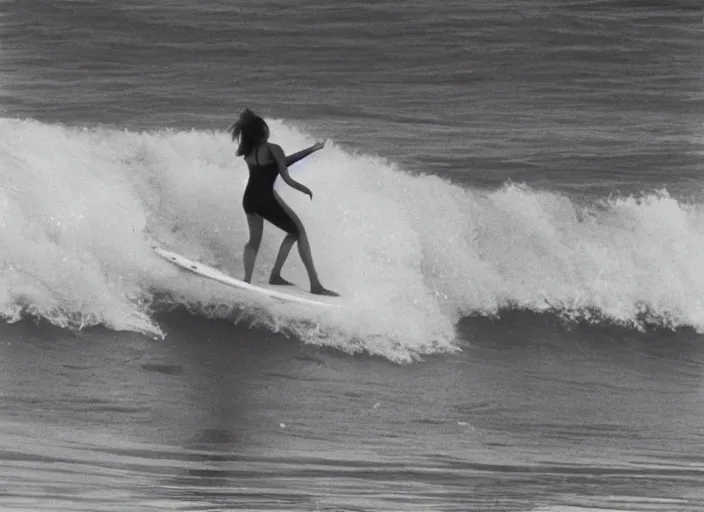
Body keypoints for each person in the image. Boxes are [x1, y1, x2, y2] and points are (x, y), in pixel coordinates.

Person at [227, 108, 338, 297]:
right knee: (299, 231)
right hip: (266, 199)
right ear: (263, 131)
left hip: (250, 199)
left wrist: (311, 149)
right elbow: (285, 175)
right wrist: (304, 188)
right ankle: (314, 285)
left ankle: (247, 280)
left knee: (254, 241)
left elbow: (282, 163)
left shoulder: (248, 150)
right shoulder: (273, 148)